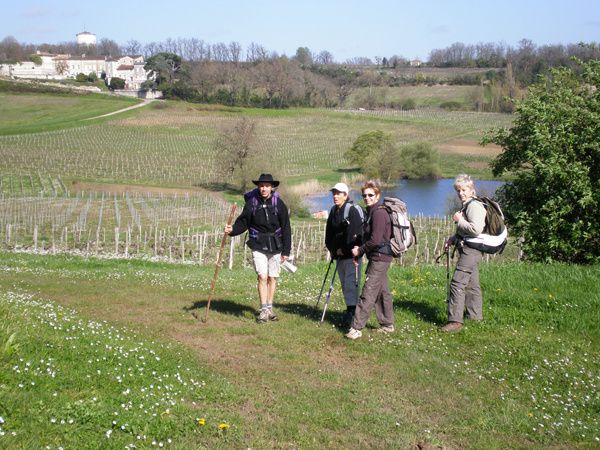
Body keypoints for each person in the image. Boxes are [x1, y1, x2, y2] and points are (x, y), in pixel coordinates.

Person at [224, 174, 292, 323]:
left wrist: (286, 251)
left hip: (276, 245)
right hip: (258, 244)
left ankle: (269, 308)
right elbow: (243, 223)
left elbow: (286, 228)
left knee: (272, 277)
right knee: (262, 276)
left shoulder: (279, 204)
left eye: (267, 186)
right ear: (258, 187)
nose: (264, 189)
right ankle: (263, 310)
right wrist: (232, 230)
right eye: (261, 186)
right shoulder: (252, 203)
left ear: (271, 187)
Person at [346, 180, 395, 340]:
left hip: (380, 258)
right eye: (364, 195)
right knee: (382, 292)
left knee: (368, 292)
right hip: (377, 257)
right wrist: (359, 254)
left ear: (378, 195)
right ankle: (387, 324)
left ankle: (356, 328)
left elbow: (375, 240)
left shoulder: (379, 213)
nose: (366, 198)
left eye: (370, 195)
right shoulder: (371, 212)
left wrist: (359, 250)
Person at [441, 174, 486, 332]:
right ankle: (475, 316)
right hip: (468, 248)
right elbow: (466, 230)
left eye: (464, 190)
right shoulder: (467, 205)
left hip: (471, 250)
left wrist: (458, 220)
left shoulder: (474, 206)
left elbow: (476, 229)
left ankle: (455, 321)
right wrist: (453, 239)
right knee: (472, 284)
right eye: (458, 190)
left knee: (458, 282)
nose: (461, 193)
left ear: (472, 189)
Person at [324, 182, 364, 328]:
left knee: (351, 284)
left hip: (352, 256)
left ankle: (353, 313)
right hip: (339, 256)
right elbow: (329, 234)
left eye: (338, 193)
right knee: (345, 284)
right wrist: (334, 251)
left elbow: (354, 235)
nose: (335, 196)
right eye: (333, 193)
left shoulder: (351, 211)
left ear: (345, 195)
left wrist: (344, 250)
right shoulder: (334, 211)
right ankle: (350, 310)